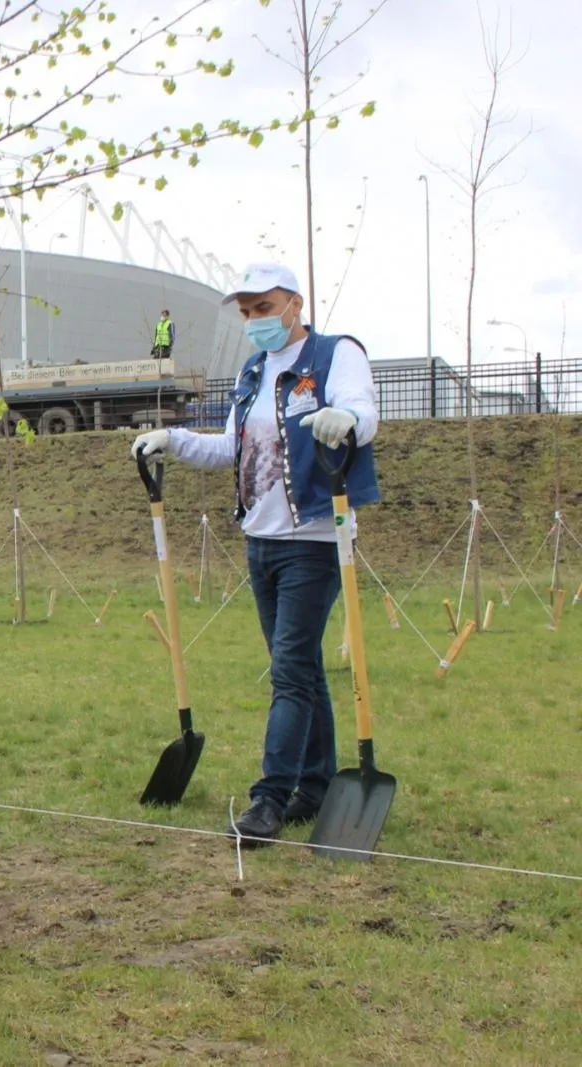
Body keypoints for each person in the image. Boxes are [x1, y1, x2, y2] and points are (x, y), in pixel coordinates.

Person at [130, 263, 378, 846]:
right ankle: (314, 788)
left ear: (293, 304)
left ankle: (269, 799)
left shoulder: (335, 355)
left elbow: (363, 412)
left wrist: (348, 422)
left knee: (289, 671)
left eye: (262, 308)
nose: (254, 321)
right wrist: (174, 439)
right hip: (260, 541)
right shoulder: (253, 372)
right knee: (303, 669)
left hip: (314, 540)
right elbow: (230, 448)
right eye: (245, 313)